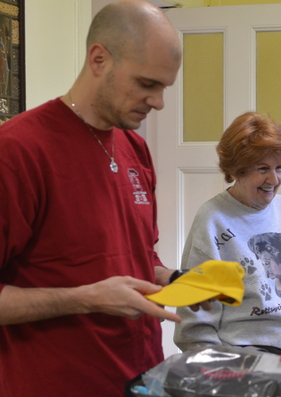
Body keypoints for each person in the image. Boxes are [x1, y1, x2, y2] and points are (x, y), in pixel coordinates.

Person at [0, 1, 208, 395]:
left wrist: (178, 281)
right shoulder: (19, 151)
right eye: (147, 84)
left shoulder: (135, 149)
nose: (159, 102)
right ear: (99, 60)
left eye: (164, 87)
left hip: (144, 380)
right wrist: (86, 299)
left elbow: (137, 256)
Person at [174, 112, 281, 354]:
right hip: (244, 357)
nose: (274, 179)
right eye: (262, 168)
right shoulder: (213, 218)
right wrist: (216, 368)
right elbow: (196, 315)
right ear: (236, 170)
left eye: (280, 168)